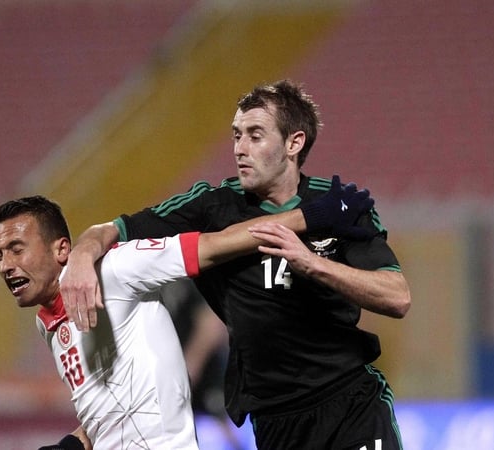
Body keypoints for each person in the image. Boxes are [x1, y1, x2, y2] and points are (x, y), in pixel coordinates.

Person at [60, 79, 412, 450]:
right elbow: (113, 229)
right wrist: (83, 254)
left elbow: (397, 297)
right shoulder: (213, 207)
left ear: (294, 143)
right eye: (236, 135)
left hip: (348, 403)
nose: (240, 149)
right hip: (275, 420)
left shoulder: (338, 206)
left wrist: (312, 264)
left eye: (255, 136)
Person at [0, 189, 371, 450]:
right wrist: (73, 444)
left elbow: (218, 243)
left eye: (16, 249)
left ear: (61, 249)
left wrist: (315, 216)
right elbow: (108, 409)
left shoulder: (117, 269)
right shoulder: (47, 322)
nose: (6, 265)